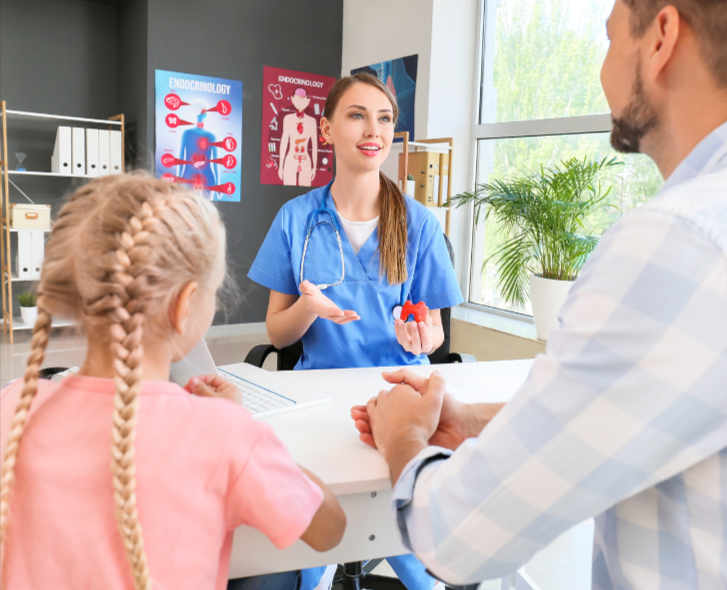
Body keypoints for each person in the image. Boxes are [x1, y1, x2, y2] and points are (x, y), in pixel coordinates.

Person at [353, 0, 727, 588]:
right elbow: (693, 405)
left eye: (609, 40)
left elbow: (456, 536)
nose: (603, 70)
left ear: (661, 38)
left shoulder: (684, 241)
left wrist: (402, 433)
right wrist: (474, 419)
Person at [0, 173, 346, 589]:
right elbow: (330, 530)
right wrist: (244, 426)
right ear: (184, 306)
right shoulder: (224, 433)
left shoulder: (12, 407)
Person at [247, 73, 463, 589]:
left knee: (427, 557)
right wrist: (309, 307)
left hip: (401, 398)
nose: (374, 129)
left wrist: (422, 339)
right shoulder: (295, 219)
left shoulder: (420, 224)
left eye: (385, 118)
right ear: (325, 130)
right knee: (307, 552)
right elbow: (277, 335)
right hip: (320, 401)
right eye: (357, 115)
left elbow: (431, 330)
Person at [279, 87, 318, 187]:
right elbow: (284, 142)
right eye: (297, 99)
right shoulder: (287, 119)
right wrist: (280, 166)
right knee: (286, 193)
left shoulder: (312, 121)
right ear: (292, 99)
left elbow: (314, 147)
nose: (300, 102)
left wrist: (314, 167)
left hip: (305, 160)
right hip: (290, 159)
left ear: (308, 101)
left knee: (307, 196)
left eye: (303, 100)